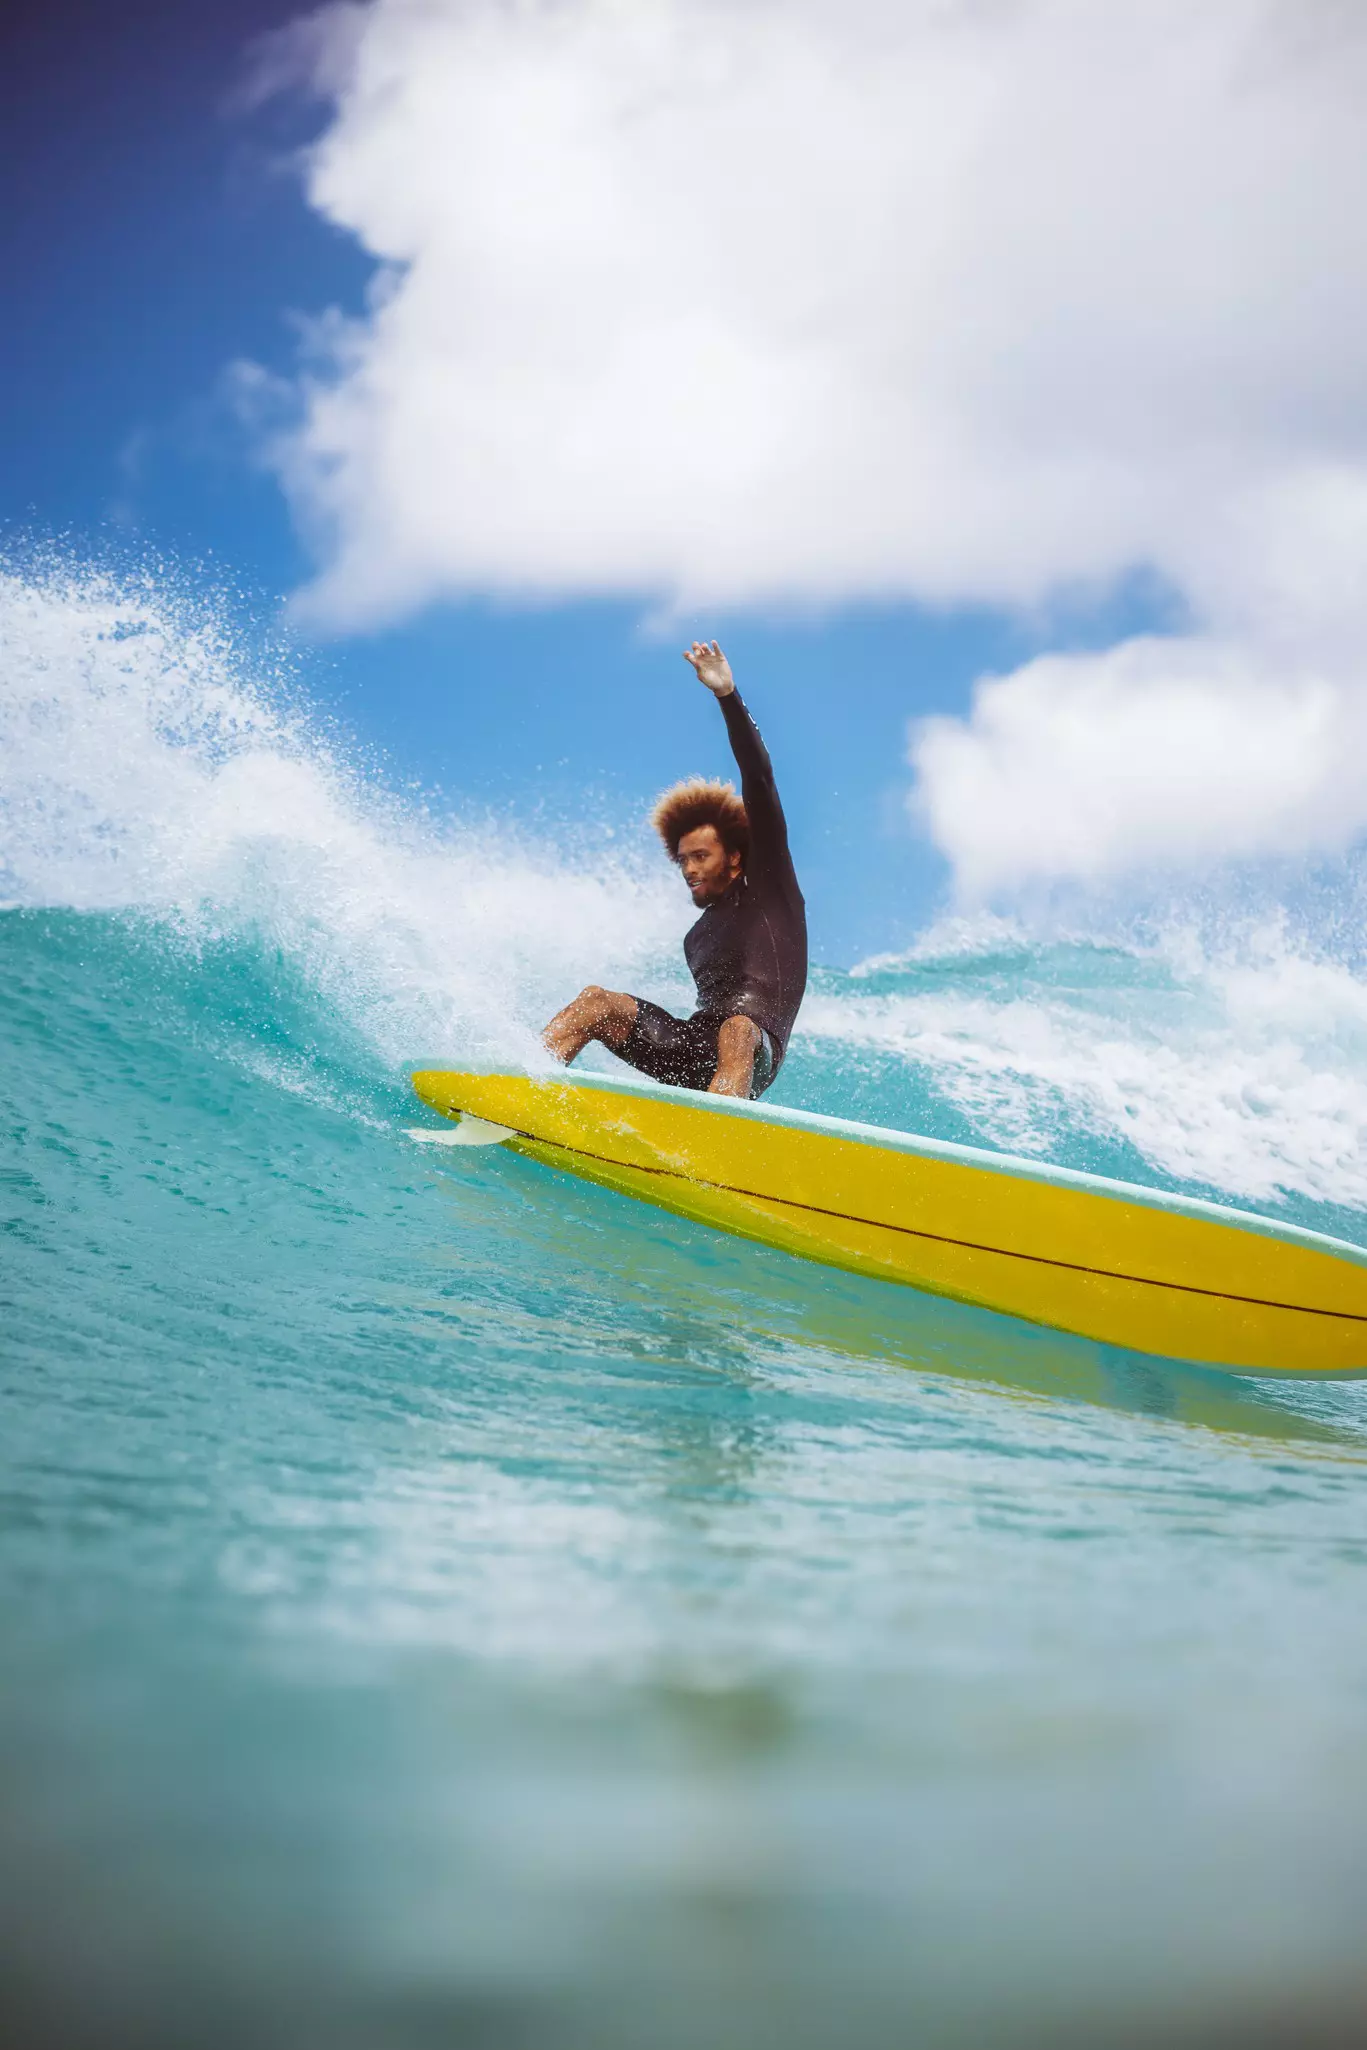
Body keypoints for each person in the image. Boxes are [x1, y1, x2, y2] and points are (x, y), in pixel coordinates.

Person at [542, 640, 807, 1100]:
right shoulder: (698, 936)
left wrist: (727, 695)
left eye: (700, 856)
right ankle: (527, 1080)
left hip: (751, 1053)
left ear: (736, 857)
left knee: (737, 1028)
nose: (687, 868)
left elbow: (759, 778)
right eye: (682, 859)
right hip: (694, 1052)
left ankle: (719, 1136)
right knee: (597, 1001)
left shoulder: (770, 890)